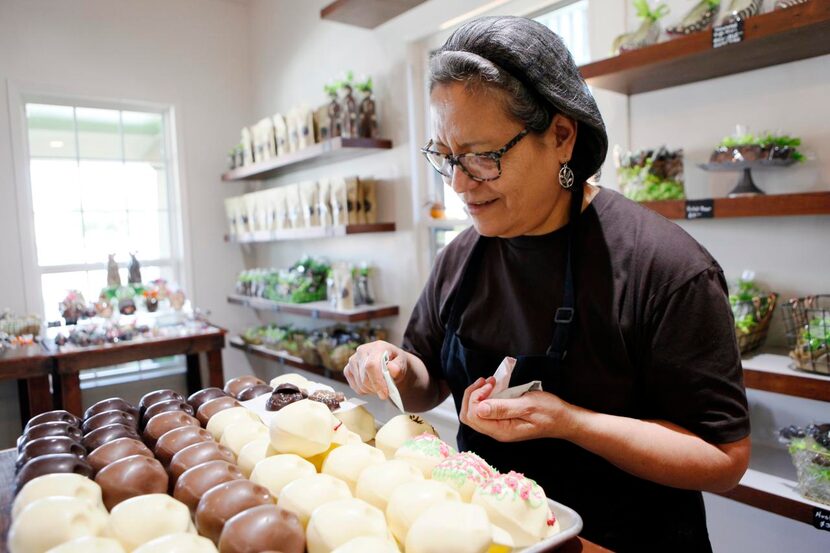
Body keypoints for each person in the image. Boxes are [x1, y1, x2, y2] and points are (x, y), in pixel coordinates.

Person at [344, 16, 750, 552]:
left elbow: (723, 459)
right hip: (489, 537)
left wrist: (573, 423)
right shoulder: (462, 258)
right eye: (447, 157)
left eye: (483, 157)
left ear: (561, 136)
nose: (461, 184)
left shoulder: (666, 269)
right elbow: (427, 379)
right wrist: (392, 366)